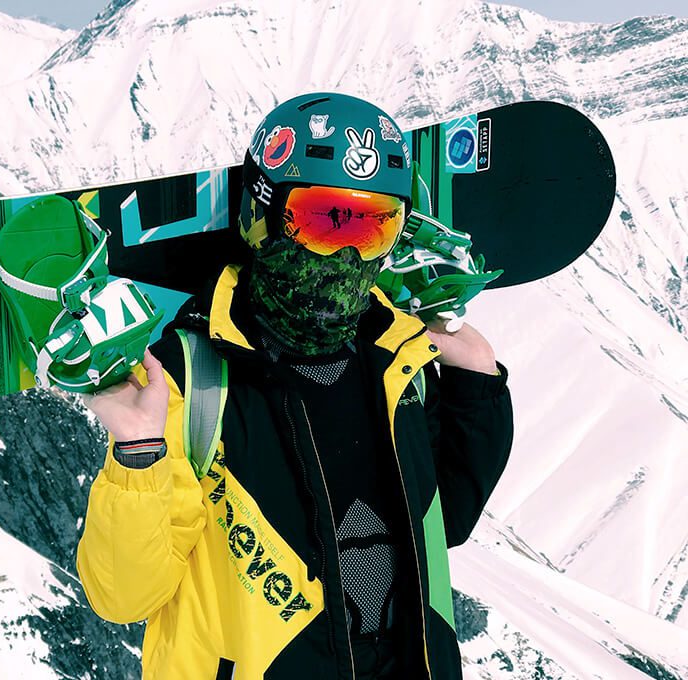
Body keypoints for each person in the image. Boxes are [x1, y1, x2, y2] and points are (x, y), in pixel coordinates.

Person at [76, 92, 514, 680]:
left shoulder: (394, 363)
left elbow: (444, 520)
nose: (348, 251)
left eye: (373, 225)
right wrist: (136, 452)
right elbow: (122, 597)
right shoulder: (187, 382)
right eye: (323, 218)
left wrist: (475, 379)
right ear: (262, 217)